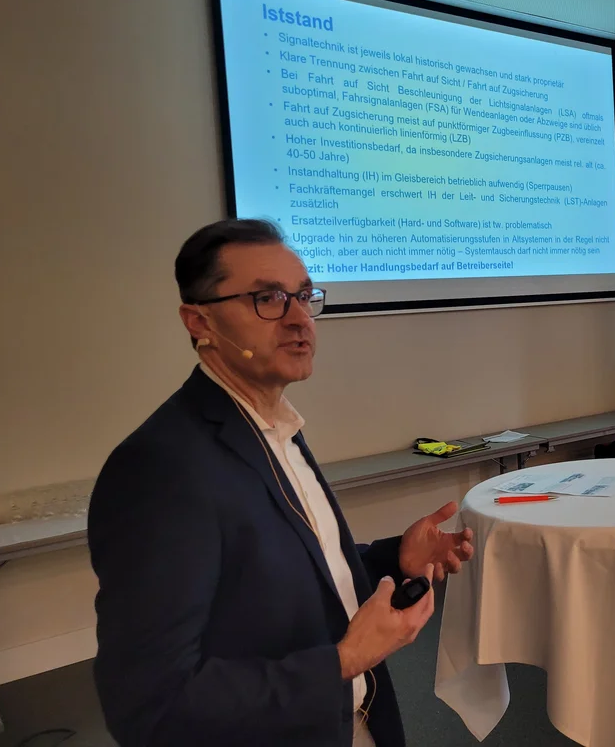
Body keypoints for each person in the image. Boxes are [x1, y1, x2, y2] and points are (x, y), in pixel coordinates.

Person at [88, 219, 474, 747]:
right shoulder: (159, 468)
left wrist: (394, 560)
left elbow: (290, 581)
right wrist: (342, 661)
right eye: (267, 299)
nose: (298, 319)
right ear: (199, 321)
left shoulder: (274, 428)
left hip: (349, 719)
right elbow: (150, 706)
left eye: (303, 296)